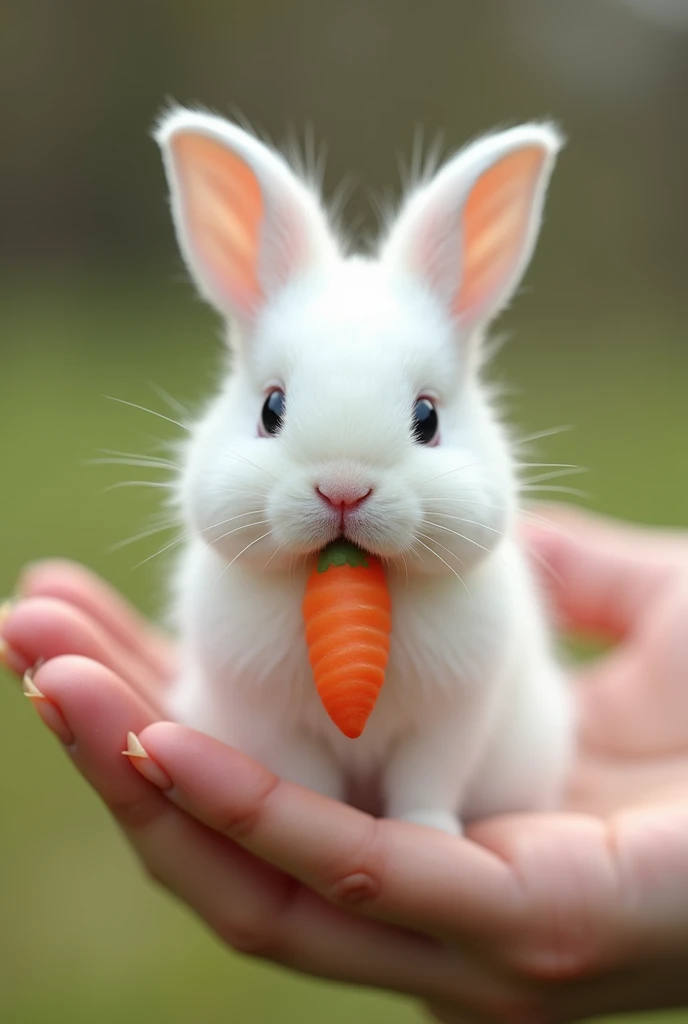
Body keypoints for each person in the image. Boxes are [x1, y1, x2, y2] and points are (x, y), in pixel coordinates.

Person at [2, 506, 688, 1023]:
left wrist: (427, 802)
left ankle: (426, 796)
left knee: (498, 743)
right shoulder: (221, 582)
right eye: (274, 410)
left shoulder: (486, 586)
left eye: (423, 421)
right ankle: (308, 785)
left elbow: (470, 693)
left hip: (499, 777)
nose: (343, 492)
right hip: (273, 741)